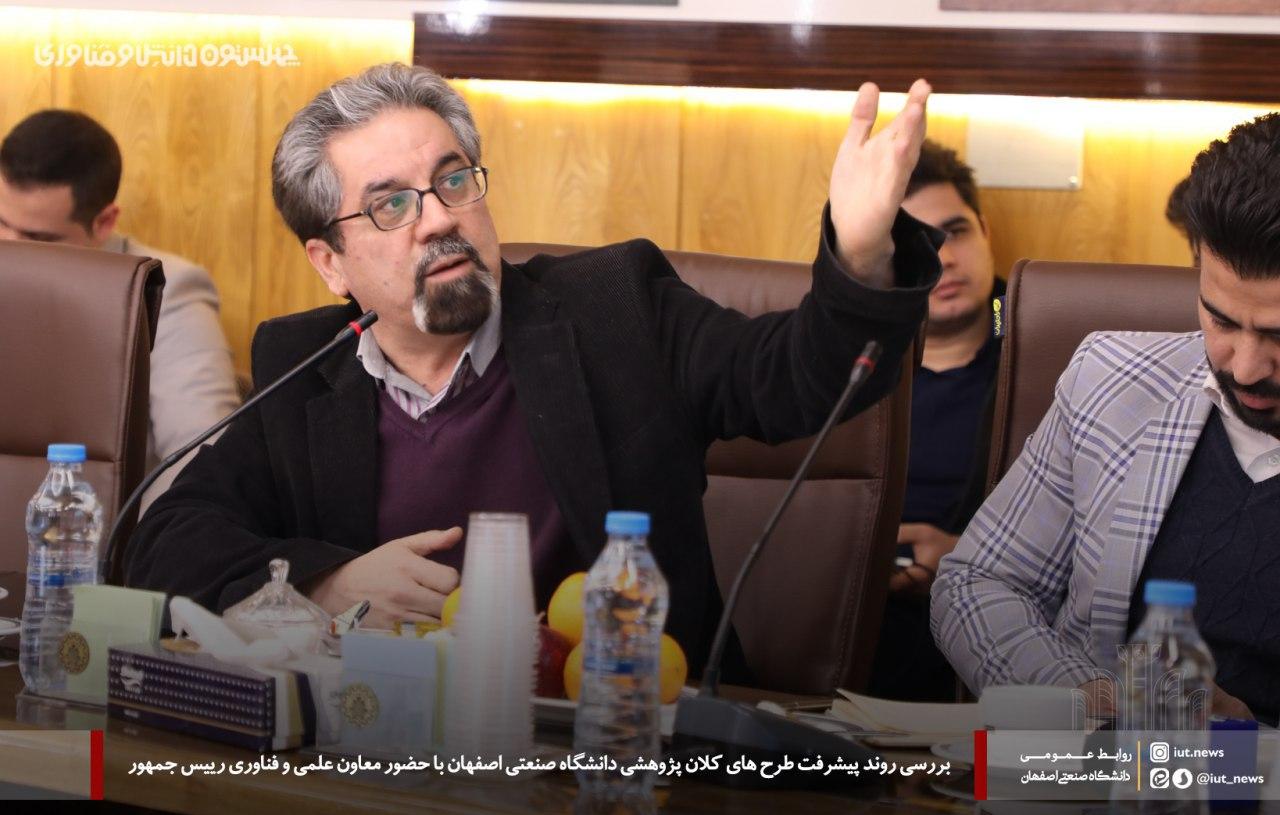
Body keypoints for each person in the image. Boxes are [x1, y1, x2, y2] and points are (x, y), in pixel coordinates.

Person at [124, 63, 943, 677]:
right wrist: (326, 584)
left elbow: (796, 377)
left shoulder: (616, 312)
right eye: (391, 204)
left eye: (452, 180)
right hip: (382, 766)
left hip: (618, 747)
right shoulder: (305, 371)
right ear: (330, 261)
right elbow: (163, 544)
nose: (437, 218)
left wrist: (861, 254)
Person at [932, 112, 1280, 722]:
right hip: (1097, 769)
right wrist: (1090, 700)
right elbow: (976, 584)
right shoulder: (1109, 379)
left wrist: (1253, 748)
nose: (1246, 368)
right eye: (1221, 320)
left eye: (1278, 335)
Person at [0, 110, 240, 508]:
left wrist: (135, 540)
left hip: (96, 535)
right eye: (1, 223)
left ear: (105, 221)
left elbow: (201, 455)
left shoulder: (166, 289)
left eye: (38, 238)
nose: (10, 250)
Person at [868, 141, 1003, 700]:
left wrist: (963, 559)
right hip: (860, 622)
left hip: (997, 634)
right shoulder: (855, 368)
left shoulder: (1044, 356)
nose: (944, 258)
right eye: (917, 244)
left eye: (956, 232)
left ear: (985, 232)